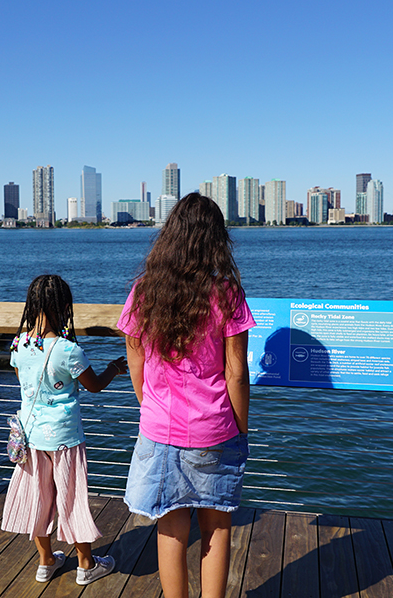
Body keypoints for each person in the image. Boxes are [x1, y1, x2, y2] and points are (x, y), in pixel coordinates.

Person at [117, 193, 255, 598]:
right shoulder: (226, 294)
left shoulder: (145, 290)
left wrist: (149, 405)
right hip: (214, 429)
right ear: (216, 240)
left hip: (160, 427)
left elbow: (135, 355)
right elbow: (236, 373)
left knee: (171, 528)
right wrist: (241, 428)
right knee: (216, 527)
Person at [1, 274, 128, 585]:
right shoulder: (68, 350)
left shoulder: (20, 344)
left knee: (38, 497)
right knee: (70, 499)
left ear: (31, 305)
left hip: (29, 438)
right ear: (64, 306)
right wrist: (114, 368)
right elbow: (94, 386)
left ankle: (45, 562)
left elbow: (23, 377)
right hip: (64, 439)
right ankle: (86, 564)